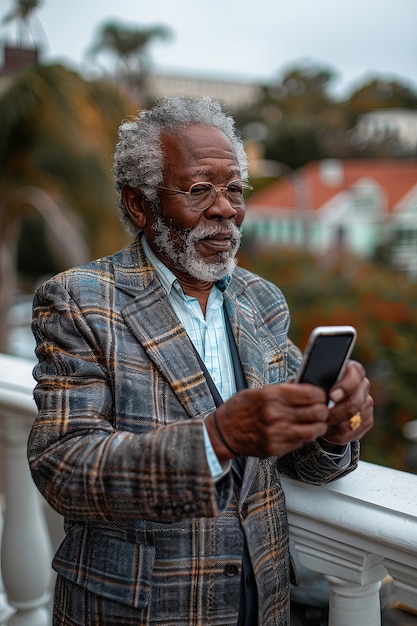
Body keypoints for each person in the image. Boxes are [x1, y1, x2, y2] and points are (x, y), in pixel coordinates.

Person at [28, 95, 373, 626]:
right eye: (198, 190)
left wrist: (333, 429)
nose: (225, 208)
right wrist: (217, 438)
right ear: (139, 204)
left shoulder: (262, 300)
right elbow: (64, 468)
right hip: (137, 611)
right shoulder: (81, 300)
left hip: (262, 604)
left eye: (234, 189)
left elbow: (293, 462)